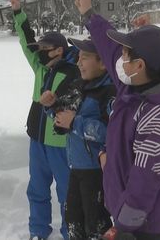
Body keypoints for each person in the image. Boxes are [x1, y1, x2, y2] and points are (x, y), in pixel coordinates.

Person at [76, 0, 160, 240]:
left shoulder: (159, 116)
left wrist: (124, 228)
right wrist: (90, 16)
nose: (120, 58)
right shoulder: (133, 86)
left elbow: (145, 182)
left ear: (139, 65)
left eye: (127, 54)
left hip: (147, 226)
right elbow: (110, 49)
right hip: (128, 214)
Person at [10, 0, 79, 240]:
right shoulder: (41, 67)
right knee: (37, 189)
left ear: (59, 50)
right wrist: (19, 13)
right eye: (39, 49)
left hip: (61, 144)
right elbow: (25, 41)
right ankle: (38, 230)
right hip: (37, 139)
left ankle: (70, 232)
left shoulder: (75, 72)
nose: (39, 52)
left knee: (66, 192)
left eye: (44, 49)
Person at [49, 38, 115, 240]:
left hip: (96, 171)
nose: (78, 62)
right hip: (76, 166)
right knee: (73, 220)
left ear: (103, 63)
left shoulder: (109, 92)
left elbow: (111, 134)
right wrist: (52, 106)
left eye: (84, 57)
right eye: (78, 57)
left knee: (95, 224)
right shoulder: (79, 85)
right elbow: (63, 117)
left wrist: (75, 123)